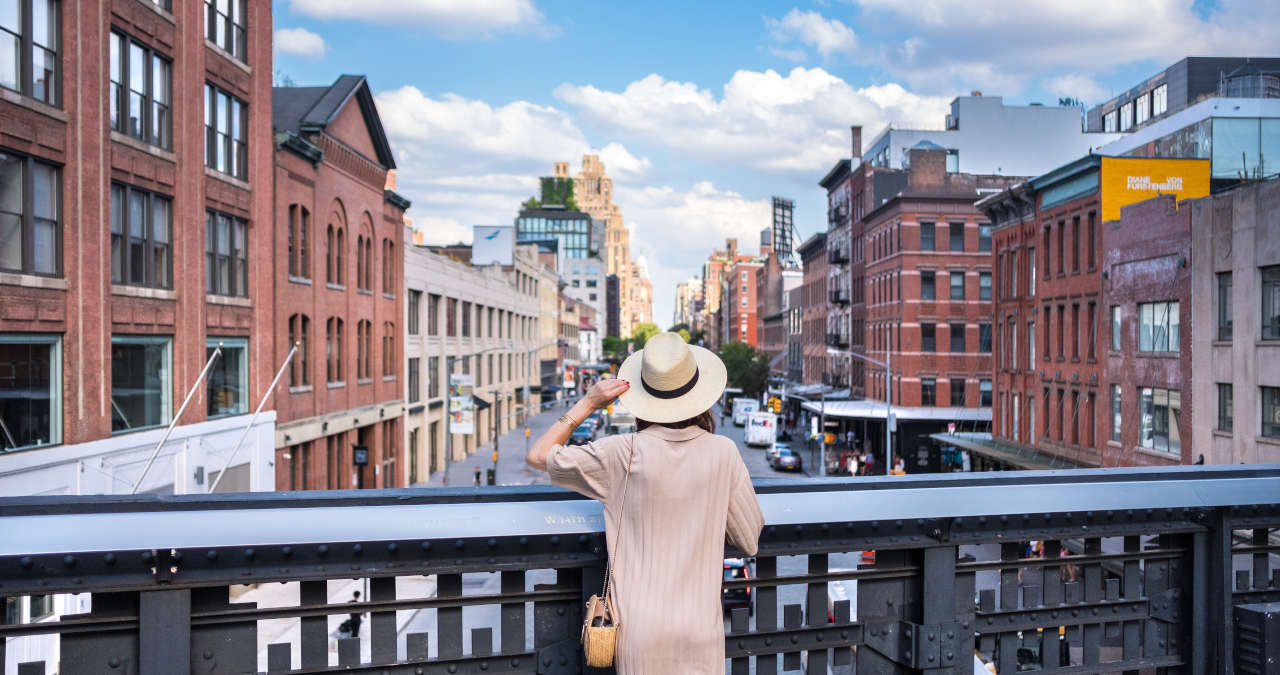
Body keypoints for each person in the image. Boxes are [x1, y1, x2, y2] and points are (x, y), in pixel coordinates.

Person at [525, 332, 764, 674]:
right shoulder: (723, 452)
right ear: (699, 396)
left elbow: (537, 454)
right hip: (701, 630)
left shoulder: (622, 453)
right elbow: (748, 539)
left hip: (640, 631)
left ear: (643, 398)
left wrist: (589, 403)